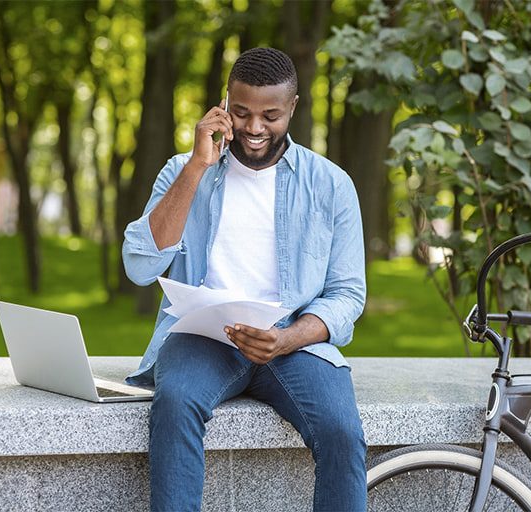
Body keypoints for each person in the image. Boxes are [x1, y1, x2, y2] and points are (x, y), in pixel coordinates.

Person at [122, 47, 367, 512]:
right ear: (224, 106)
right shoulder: (183, 171)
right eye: (242, 113)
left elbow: (348, 293)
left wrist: (288, 338)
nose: (254, 129)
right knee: (174, 404)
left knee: (342, 430)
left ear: (293, 107)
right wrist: (197, 167)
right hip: (203, 338)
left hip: (293, 342)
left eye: (270, 115)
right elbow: (139, 265)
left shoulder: (330, 184)